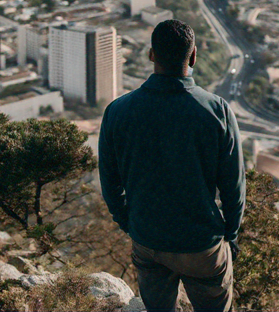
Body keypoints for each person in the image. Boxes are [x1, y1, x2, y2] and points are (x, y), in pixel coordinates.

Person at [99, 19, 245, 312]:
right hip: (202, 243)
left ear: (152, 55)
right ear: (193, 57)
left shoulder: (118, 111)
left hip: (148, 239)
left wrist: (129, 222)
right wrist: (230, 234)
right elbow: (233, 185)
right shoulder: (217, 111)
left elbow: (110, 181)